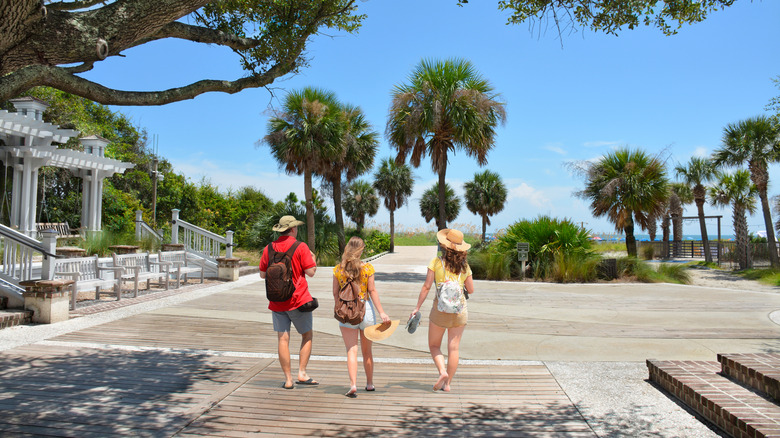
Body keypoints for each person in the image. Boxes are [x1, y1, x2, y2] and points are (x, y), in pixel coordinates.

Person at [410, 228, 475, 392]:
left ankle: (442, 371)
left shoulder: (436, 262)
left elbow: (426, 287)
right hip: (459, 311)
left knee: (433, 345)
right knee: (454, 348)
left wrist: (417, 308)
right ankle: (448, 385)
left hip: (439, 310)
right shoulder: (465, 266)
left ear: (445, 246)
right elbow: (471, 289)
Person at [259, 215, 318, 390]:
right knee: (307, 335)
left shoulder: (268, 248)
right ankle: (302, 373)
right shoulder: (300, 247)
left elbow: (262, 274)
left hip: (277, 302)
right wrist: (313, 260)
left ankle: (288, 379)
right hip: (298, 301)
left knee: (282, 339)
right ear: (292, 229)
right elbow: (311, 272)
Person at [332, 236, 391, 398]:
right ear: (361, 250)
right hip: (366, 312)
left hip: (347, 313)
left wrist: (340, 308)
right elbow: (372, 291)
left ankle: (352, 384)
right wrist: (382, 313)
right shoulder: (368, 268)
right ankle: (370, 384)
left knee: (351, 350)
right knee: (367, 352)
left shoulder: (338, 269)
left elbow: (336, 293)